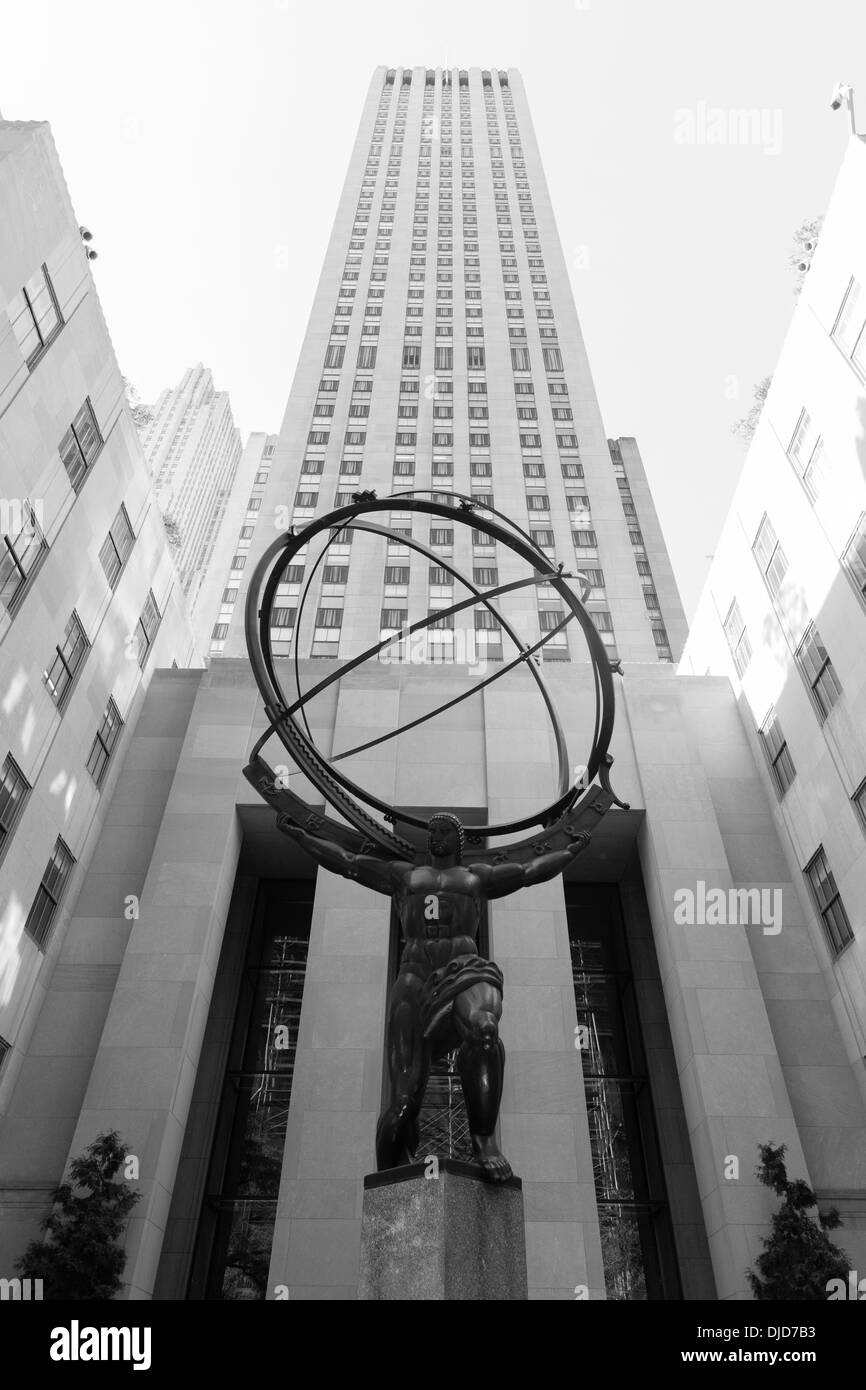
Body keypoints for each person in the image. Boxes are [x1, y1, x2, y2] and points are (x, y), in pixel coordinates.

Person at [278, 810, 589, 1181]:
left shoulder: (477, 876)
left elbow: (528, 872)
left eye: (445, 831)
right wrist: (300, 837)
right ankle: (391, 1183)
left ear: (460, 841)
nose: (437, 836)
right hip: (414, 977)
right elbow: (347, 863)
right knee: (404, 1101)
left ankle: (484, 1140)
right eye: (434, 830)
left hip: (462, 970)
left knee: (485, 1028)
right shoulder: (403, 875)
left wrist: (570, 852)